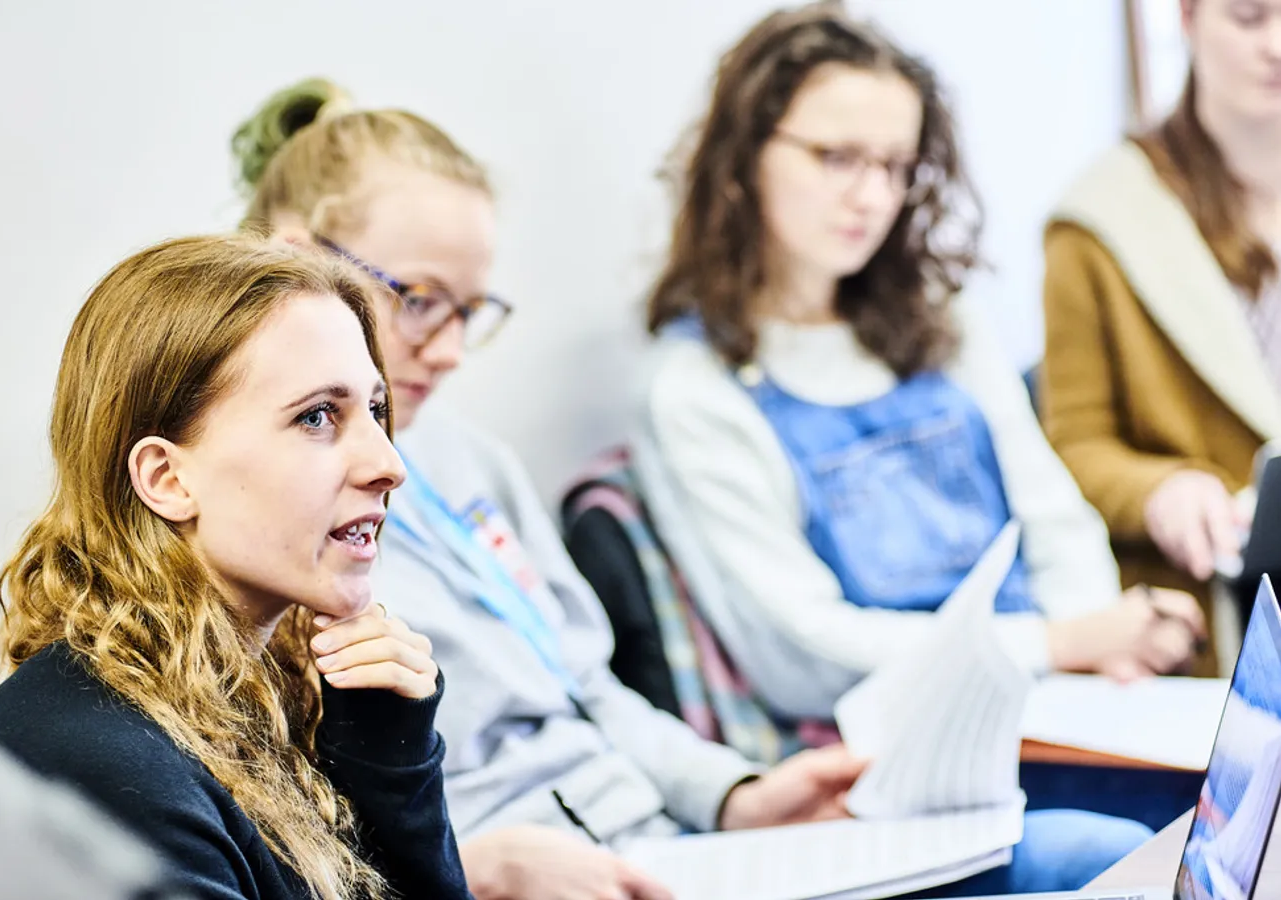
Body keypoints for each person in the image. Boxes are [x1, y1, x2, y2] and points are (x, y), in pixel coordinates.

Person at [234, 72, 1153, 899]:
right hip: (533, 869)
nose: (450, 349)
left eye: (472, 312)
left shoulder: (471, 464)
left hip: (666, 841)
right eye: (419, 299)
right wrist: (473, 868)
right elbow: (292, 834)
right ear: (298, 256)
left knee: (1100, 851)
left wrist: (735, 794)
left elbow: (588, 687)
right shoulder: (263, 521)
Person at [629, 2, 1207, 725]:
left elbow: (1055, 521)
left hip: (1057, 706)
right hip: (895, 744)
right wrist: (1060, 644)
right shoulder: (693, 389)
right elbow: (807, 658)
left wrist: (1107, 655)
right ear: (743, 157)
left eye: (896, 167)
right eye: (836, 158)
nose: (872, 197)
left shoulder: (940, 321)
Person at [0, 235, 471, 900]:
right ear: (168, 478)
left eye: (375, 411)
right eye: (318, 416)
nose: (388, 465)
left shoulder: (272, 694)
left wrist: (391, 769)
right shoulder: (98, 762)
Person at [1042, 0, 1281, 675]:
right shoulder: (1102, 224)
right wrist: (1160, 491)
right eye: (1249, 17)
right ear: (1187, 18)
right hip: (1212, 634)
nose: (1277, 45)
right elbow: (1073, 448)